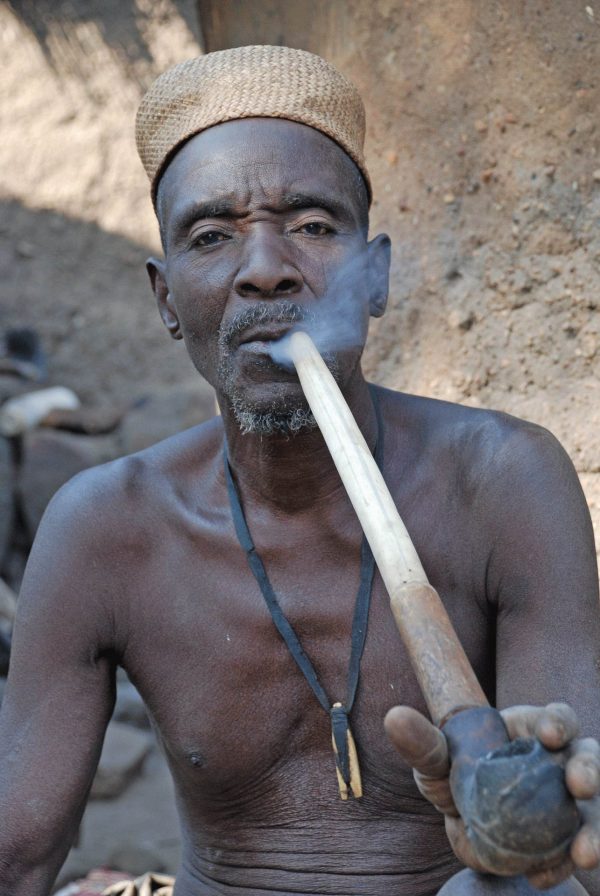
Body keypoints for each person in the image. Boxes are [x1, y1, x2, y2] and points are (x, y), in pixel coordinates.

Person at [0, 45, 599, 896]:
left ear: (376, 276)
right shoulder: (104, 529)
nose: (265, 269)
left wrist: (531, 814)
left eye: (314, 227)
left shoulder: (503, 484)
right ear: (167, 299)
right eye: (211, 238)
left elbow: (553, 845)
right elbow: (16, 859)